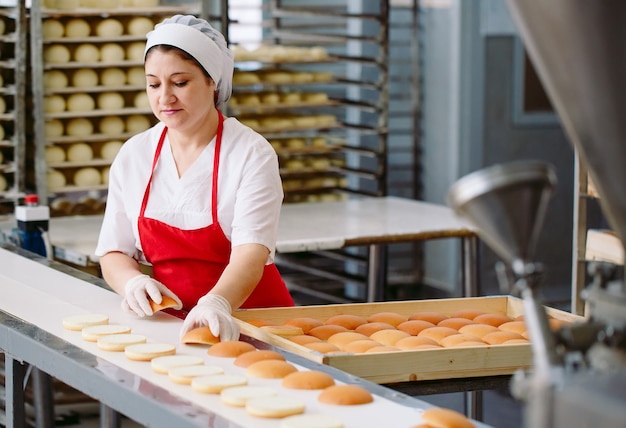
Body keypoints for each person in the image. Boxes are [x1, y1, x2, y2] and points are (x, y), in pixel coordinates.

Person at [94, 15, 294, 342]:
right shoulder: (135, 155)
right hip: (170, 326)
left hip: (252, 321)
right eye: (154, 84)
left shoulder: (249, 153)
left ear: (211, 81)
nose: (165, 98)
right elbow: (113, 250)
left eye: (180, 82)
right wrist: (132, 282)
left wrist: (218, 303)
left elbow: (251, 254)